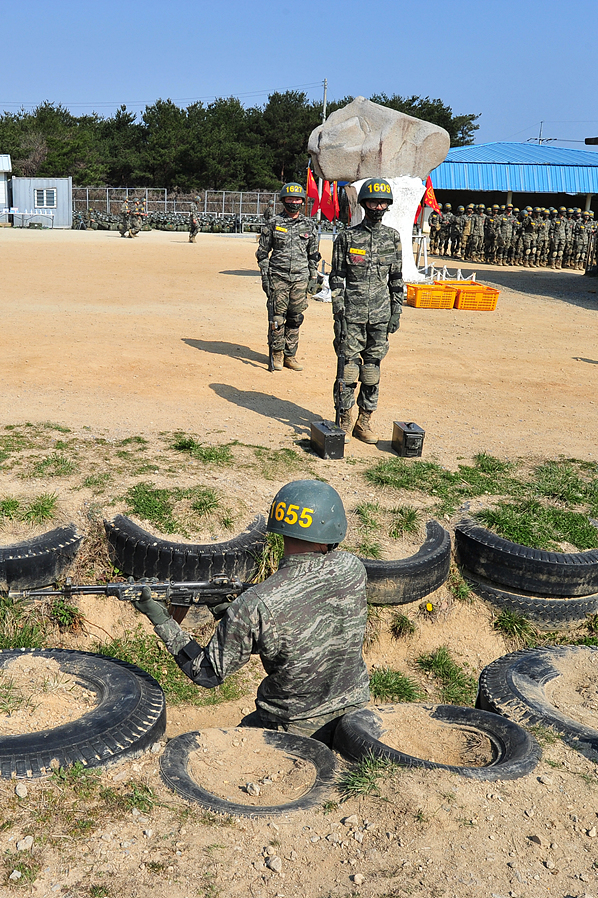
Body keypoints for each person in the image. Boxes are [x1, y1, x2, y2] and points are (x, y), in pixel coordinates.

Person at [128, 480, 371, 744]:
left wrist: (161, 619)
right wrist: (234, 612)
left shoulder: (256, 604)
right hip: (355, 716)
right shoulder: (353, 568)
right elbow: (294, 627)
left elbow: (207, 674)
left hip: (289, 726)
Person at [329, 178, 403, 443]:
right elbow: (336, 277)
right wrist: (339, 310)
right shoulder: (347, 237)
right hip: (352, 314)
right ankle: (343, 418)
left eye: (382, 202)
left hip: (380, 316)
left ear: (388, 205)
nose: (378, 206)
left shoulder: (393, 238)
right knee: (348, 371)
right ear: (364, 204)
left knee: (371, 371)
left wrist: (397, 310)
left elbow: (396, 278)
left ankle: (364, 421)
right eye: (373, 201)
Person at [256, 182, 321, 372]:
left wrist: (313, 277)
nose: (294, 202)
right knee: (277, 317)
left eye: (297, 199)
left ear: (302, 202)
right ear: (283, 200)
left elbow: (313, 255)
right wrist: (266, 276)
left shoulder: (309, 225)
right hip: (278, 277)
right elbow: (262, 254)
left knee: (295, 317)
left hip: (300, 278)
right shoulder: (273, 223)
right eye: (290, 199)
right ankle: (277, 353)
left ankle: (290, 355)